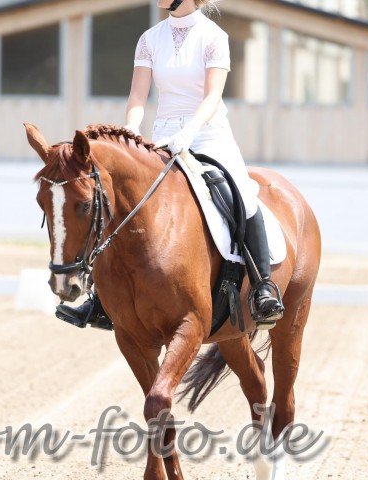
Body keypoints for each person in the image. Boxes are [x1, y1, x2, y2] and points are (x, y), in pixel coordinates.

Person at [56, 0, 284, 330]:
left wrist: (189, 132)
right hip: (161, 137)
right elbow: (138, 97)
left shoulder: (214, 36)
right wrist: (131, 132)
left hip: (208, 135)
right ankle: (101, 299)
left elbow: (212, 97)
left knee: (243, 196)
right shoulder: (150, 38)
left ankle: (263, 287)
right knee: (121, 201)